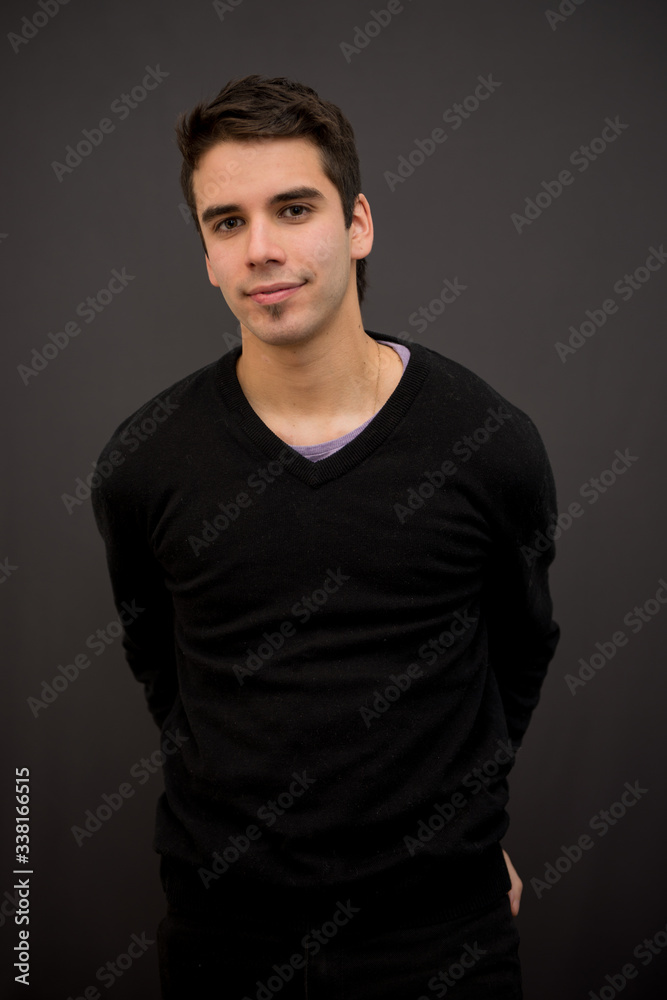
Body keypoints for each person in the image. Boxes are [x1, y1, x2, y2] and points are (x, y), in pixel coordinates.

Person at [92, 74, 560, 999]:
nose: (262, 249)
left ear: (357, 224)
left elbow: (520, 647)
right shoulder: (145, 463)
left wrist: (464, 831)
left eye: (293, 208)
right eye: (227, 223)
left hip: (442, 939)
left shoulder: (486, 443)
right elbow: (165, 669)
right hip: (228, 940)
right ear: (206, 254)